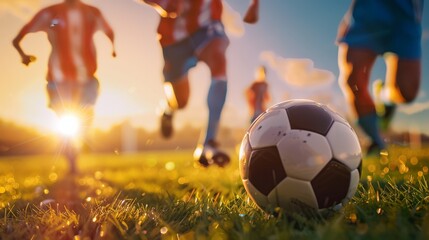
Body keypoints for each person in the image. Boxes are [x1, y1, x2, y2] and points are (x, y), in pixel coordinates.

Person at [140, 0, 259, 167]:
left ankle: (208, 142)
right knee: (181, 102)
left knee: (218, 58)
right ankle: (168, 109)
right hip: (174, 39)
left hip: (208, 27)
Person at [13, 0, 116, 173]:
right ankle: (72, 162)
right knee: (64, 119)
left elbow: (109, 31)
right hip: (58, 79)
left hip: (87, 77)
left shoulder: (92, 12)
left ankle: (82, 139)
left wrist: (113, 47)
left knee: (85, 113)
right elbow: (17, 38)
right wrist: (23, 54)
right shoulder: (50, 14)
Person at [337, 0, 423, 155]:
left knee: (407, 92)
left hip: (406, 11)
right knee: (353, 80)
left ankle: (384, 96)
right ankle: (377, 142)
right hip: (368, 9)